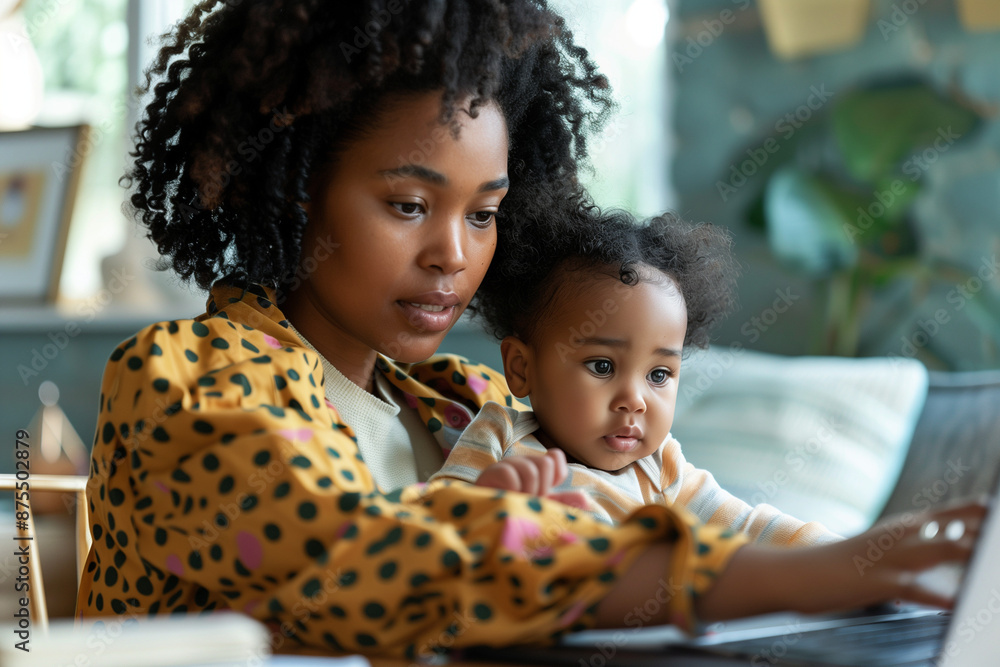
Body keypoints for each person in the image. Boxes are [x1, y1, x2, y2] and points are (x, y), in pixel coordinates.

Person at [77, 0, 986, 659]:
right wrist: (800, 578)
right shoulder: (187, 383)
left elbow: (664, 511)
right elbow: (362, 564)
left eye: (483, 213)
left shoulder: (474, 402)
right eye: (407, 203)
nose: (451, 254)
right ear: (284, 185)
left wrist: (845, 557)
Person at [429, 210, 840, 545]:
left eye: (659, 374)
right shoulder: (499, 436)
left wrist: (840, 555)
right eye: (602, 366)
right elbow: (425, 523)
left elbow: (750, 528)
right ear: (522, 368)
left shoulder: (660, 468)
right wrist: (486, 500)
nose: (634, 400)